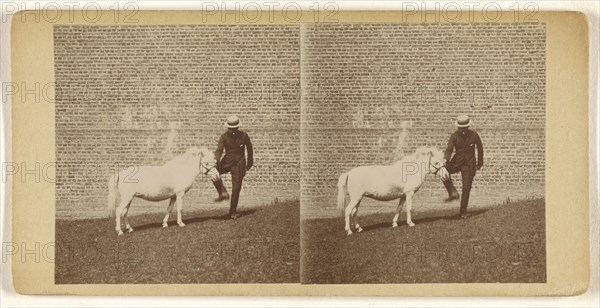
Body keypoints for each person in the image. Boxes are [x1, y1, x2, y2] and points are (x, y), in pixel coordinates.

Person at [211, 115, 254, 219]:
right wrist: (216, 161)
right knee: (213, 173)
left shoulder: (244, 136)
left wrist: (249, 164)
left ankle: (233, 211)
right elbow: (219, 150)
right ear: (228, 128)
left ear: (238, 127)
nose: (232, 131)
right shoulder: (224, 137)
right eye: (230, 129)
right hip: (227, 162)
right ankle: (222, 192)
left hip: (239, 165)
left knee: (236, 188)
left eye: (234, 128)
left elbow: (249, 149)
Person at [441, 115, 484, 219]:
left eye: (464, 128)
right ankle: (452, 192)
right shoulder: (454, 136)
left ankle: (463, 211)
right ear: (458, 127)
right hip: (457, 162)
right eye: (460, 128)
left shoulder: (474, 135)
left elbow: (480, 148)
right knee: (442, 172)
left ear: (468, 127)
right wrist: (446, 159)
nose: (462, 130)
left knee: (466, 188)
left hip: (469, 165)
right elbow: (449, 149)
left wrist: (480, 162)